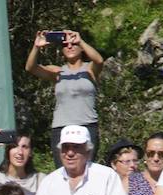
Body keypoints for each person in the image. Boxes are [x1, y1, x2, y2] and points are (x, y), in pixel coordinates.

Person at [26, 30, 104, 158]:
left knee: (87, 169)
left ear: (81, 48)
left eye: (73, 44)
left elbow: (99, 61)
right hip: (61, 127)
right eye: (65, 45)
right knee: (63, 170)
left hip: (87, 126)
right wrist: (36, 47)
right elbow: (31, 68)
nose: (69, 46)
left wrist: (80, 41)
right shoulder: (57, 72)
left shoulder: (90, 69)